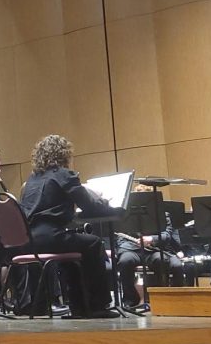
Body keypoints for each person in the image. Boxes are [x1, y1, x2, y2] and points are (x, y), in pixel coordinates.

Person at [19, 134, 119, 319]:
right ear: (64, 154)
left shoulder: (33, 179)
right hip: (50, 237)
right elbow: (88, 204)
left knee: (72, 253)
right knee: (93, 243)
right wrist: (106, 204)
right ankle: (98, 305)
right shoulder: (63, 175)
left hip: (29, 239)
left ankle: (79, 307)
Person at [116, 183, 183, 311]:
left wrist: (151, 239)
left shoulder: (163, 214)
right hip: (132, 248)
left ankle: (158, 298)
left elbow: (167, 235)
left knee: (161, 260)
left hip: (154, 249)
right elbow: (119, 236)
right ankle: (131, 299)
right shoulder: (125, 214)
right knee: (125, 261)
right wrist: (126, 244)